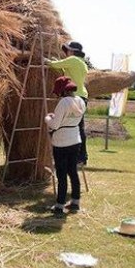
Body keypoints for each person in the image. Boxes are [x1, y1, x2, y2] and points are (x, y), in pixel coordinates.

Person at [45, 76, 86, 216]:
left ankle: (59, 205)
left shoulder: (63, 102)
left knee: (61, 175)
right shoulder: (80, 101)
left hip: (61, 142)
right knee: (73, 172)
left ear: (62, 91)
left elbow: (55, 125)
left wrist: (48, 118)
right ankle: (75, 202)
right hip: (75, 140)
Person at [46, 41, 89, 165]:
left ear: (72, 51)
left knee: (60, 123)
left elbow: (55, 65)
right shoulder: (82, 63)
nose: (67, 52)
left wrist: (46, 61)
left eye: (68, 50)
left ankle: (76, 155)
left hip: (73, 96)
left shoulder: (73, 60)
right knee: (78, 126)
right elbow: (66, 69)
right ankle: (82, 156)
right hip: (82, 97)